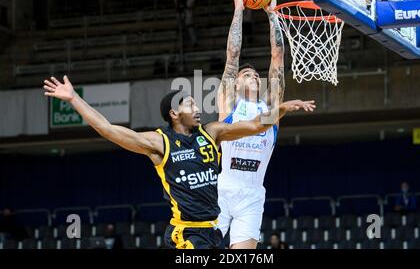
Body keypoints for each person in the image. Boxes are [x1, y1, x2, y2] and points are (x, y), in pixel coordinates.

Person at [43, 76, 315, 249]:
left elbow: (256, 125)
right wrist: (74, 99)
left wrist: (281, 109)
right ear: (174, 114)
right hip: (186, 235)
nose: (197, 109)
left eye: (197, 104)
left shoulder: (212, 133)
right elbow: (107, 129)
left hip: (212, 232)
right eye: (189, 105)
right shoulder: (159, 143)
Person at [216, 0, 287, 249]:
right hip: (222, 191)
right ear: (235, 84)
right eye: (247, 74)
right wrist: (238, 9)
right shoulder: (230, 103)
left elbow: (277, 58)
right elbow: (233, 56)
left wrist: (272, 14)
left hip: (253, 195)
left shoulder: (269, 111)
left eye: (256, 74)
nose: (254, 75)